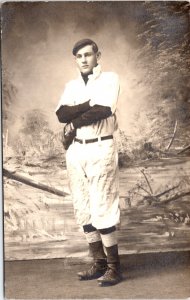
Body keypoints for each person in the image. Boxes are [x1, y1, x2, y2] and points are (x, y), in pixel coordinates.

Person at [55, 38, 122, 286]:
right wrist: (86, 105)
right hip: (76, 151)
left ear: (97, 55)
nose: (83, 60)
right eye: (79, 56)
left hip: (101, 147)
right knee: (83, 207)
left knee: (102, 206)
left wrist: (75, 119)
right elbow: (61, 114)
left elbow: (104, 109)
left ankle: (114, 268)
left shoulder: (110, 79)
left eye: (87, 55)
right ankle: (99, 263)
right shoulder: (72, 85)